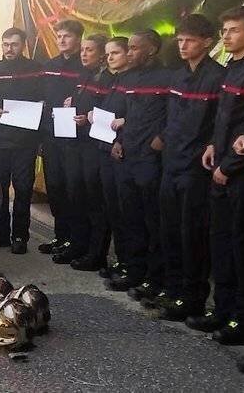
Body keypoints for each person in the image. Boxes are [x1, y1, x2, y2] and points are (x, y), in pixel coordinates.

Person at [195, 6, 244, 344]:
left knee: (243, 248)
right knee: (221, 243)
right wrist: (213, 144)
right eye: (224, 30)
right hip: (221, 165)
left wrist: (230, 166)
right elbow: (227, 120)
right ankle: (222, 310)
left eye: (234, 30)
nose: (226, 36)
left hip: (240, 177)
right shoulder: (232, 68)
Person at [157, 14, 225, 323]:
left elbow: (221, 125)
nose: (183, 45)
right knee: (170, 230)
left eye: (191, 40)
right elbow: (170, 119)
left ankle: (193, 298)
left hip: (195, 170)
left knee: (192, 234)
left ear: (208, 42)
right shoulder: (177, 76)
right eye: (180, 40)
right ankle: (173, 291)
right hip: (170, 164)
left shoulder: (217, 77)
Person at [109, 29, 168, 296]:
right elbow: (125, 114)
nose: (129, 52)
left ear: (151, 50)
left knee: (152, 222)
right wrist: (119, 140)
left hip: (151, 160)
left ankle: (155, 279)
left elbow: (173, 115)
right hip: (127, 156)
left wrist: (161, 138)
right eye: (129, 48)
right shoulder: (127, 78)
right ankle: (134, 271)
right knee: (130, 218)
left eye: (134, 48)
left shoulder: (167, 78)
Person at [0, 28, 44, 254]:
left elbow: (43, 100)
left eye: (14, 44)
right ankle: (2, 233)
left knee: (23, 189)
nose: (9, 48)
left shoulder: (37, 70)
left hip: (25, 142)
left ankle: (20, 236)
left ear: (23, 45)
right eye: (6, 44)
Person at [61, 34, 112, 272]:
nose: (83, 54)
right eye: (82, 49)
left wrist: (89, 119)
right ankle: (78, 245)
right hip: (77, 143)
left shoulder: (109, 78)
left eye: (89, 50)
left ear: (102, 54)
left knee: (95, 201)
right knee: (76, 196)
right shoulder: (83, 75)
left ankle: (96, 253)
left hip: (96, 147)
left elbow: (109, 112)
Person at [36, 20, 87, 256]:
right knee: (55, 187)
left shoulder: (86, 67)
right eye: (59, 36)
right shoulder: (49, 66)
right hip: (50, 134)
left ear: (78, 39)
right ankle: (61, 237)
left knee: (73, 189)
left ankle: (76, 242)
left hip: (75, 138)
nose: (62, 40)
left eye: (67, 36)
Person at [91, 37, 133, 277]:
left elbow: (143, 115)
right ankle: (121, 260)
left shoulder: (134, 82)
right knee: (113, 209)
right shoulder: (112, 80)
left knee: (126, 210)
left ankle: (130, 264)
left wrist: (123, 129)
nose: (110, 58)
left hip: (124, 151)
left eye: (115, 53)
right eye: (107, 54)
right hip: (104, 146)